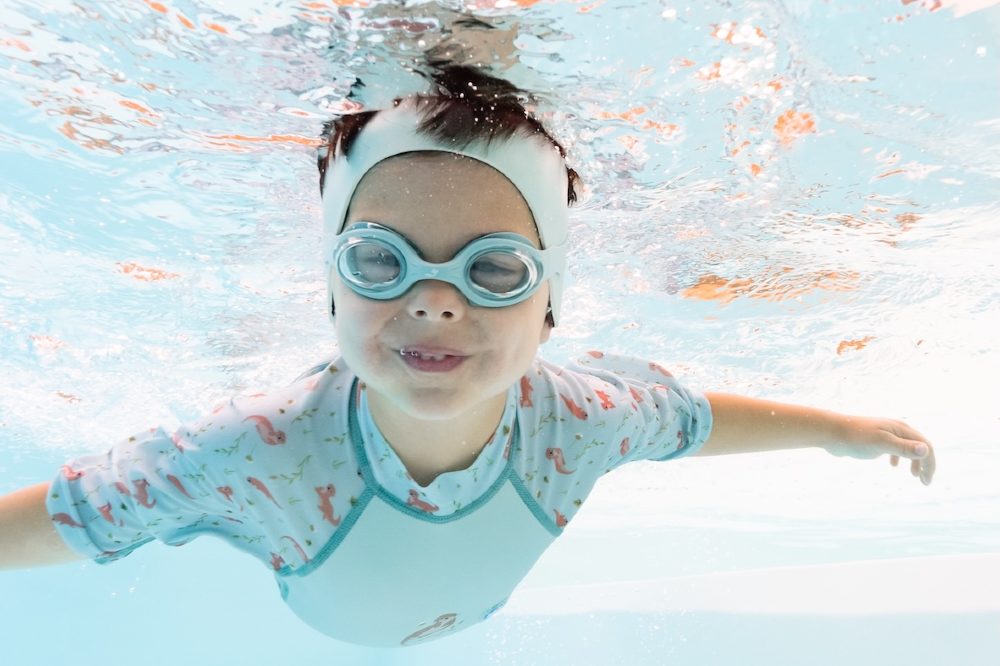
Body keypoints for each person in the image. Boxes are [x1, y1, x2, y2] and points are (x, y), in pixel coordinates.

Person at [0, 64, 935, 648]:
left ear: (551, 306)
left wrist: (838, 431)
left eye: (494, 268)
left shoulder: (584, 415)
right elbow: (70, 515)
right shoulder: (255, 449)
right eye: (379, 260)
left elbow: (691, 420)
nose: (434, 299)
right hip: (318, 608)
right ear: (332, 289)